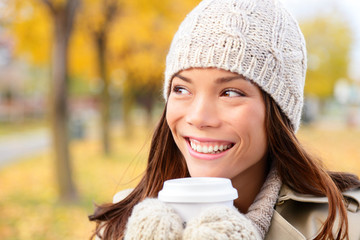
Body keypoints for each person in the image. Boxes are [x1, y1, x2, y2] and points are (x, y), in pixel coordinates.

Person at [89, 0, 360, 239]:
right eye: (182, 89)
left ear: (278, 112)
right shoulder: (120, 227)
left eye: (230, 92)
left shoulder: (345, 227)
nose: (198, 117)